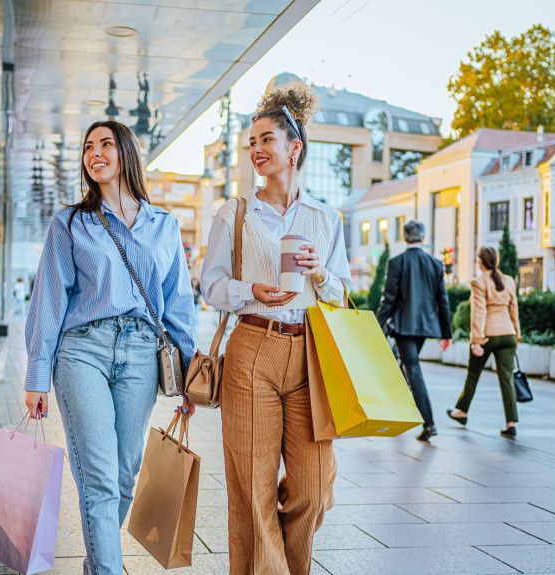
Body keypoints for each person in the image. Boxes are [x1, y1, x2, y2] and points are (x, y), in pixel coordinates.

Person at [24, 120, 197, 575]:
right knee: (99, 476)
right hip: (82, 351)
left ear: (126, 153)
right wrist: (37, 374)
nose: (94, 153)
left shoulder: (164, 225)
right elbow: (49, 298)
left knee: (123, 475)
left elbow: (178, 302)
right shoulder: (70, 222)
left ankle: (97, 563)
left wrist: (189, 378)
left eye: (104, 144)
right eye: (87, 147)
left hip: (142, 353)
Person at [201, 81, 351, 575]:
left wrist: (320, 273)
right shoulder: (235, 213)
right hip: (251, 349)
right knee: (252, 485)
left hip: (310, 355)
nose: (257, 150)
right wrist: (251, 291)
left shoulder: (326, 219)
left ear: (294, 148)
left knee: (313, 486)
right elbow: (211, 286)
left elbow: (343, 294)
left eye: (267, 140)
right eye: (252, 143)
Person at [376, 221, 452, 441]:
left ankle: (429, 424)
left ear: (404, 236)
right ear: (423, 236)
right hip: (425, 326)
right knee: (405, 363)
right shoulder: (435, 264)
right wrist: (446, 333)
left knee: (413, 369)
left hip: (404, 326)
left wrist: (377, 326)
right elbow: (443, 301)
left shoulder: (397, 262)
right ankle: (400, 410)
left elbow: (388, 300)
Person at [447, 247, 521, 438]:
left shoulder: (479, 282)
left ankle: (461, 412)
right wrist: (517, 334)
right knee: (507, 379)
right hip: (508, 334)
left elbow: (478, 312)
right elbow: (514, 310)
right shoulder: (509, 281)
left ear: (481, 262)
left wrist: (476, 341)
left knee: (473, 374)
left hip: (488, 335)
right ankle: (510, 423)